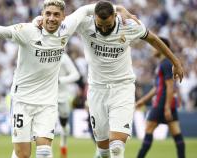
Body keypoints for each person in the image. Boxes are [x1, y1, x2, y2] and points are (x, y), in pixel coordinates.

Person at [0, 1, 136, 157]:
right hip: (22, 101)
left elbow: (89, 8)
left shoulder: (67, 28)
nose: (52, 18)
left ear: (63, 18)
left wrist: (120, 9)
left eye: (56, 14)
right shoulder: (27, 31)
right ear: (42, 15)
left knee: (44, 152)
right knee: (23, 154)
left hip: (47, 103)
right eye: (48, 14)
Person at [74, 1, 184, 158]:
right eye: (100, 25)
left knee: (117, 147)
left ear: (115, 16)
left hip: (122, 88)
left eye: (108, 25)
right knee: (103, 150)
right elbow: (61, 23)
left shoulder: (129, 25)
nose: (104, 29)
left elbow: (153, 39)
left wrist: (175, 61)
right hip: (97, 90)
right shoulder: (85, 24)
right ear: (94, 18)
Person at [136, 37, 185, 158]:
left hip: (162, 104)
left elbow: (170, 86)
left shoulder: (166, 64)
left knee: (148, 129)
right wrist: (143, 101)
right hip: (167, 103)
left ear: (160, 47)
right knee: (176, 134)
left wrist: (167, 107)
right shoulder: (163, 64)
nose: (153, 49)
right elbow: (158, 87)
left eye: (154, 47)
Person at [58, 53, 80, 158]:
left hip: (62, 96)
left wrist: (60, 80)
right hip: (46, 96)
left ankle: (63, 144)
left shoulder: (63, 56)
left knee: (64, 125)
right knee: (46, 127)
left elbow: (76, 75)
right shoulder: (40, 51)